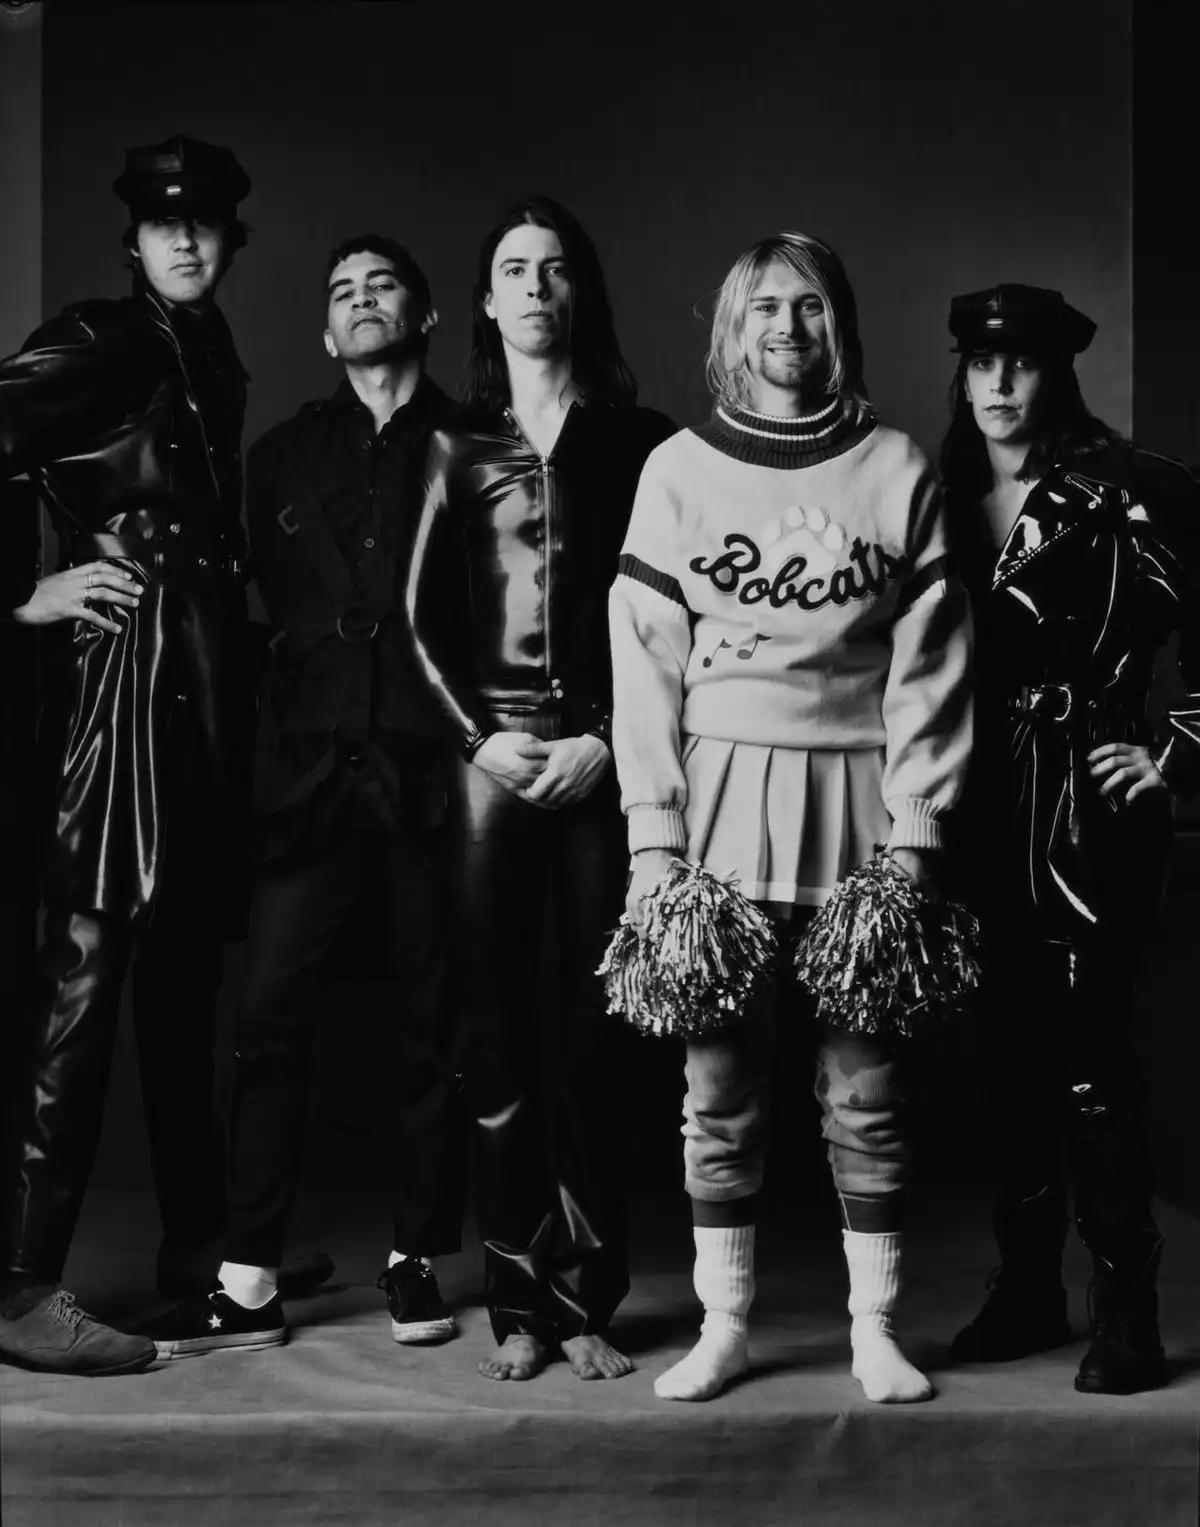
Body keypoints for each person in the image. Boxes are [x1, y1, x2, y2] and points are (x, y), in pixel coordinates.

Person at [609, 231, 973, 1404]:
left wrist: (915, 829)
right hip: (719, 805)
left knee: (866, 1089)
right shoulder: (678, 470)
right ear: (733, 328)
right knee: (719, 1089)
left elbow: (932, 663)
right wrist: (652, 838)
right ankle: (725, 1327)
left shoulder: (895, 467)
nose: (788, 327)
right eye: (766, 306)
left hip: (861, 803)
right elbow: (643, 667)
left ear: (840, 327)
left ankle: (875, 1329)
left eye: (811, 306)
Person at [0, 133, 329, 1377]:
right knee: (85, 972)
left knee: (187, 973)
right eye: (161, 224)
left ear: (231, 238)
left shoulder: (210, 347)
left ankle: (199, 1245)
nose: (185, 240)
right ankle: (22, 1286)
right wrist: (21, 598)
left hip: (205, 694)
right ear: (132, 240)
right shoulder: (96, 338)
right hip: (116, 691)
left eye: (203, 224)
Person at [146, 235, 465, 1359]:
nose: (362, 300)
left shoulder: (482, 446)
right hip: (304, 779)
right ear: (327, 335)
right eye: (343, 292)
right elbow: (238, 612)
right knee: (267, 1023)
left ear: (424, 313)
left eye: (383, 284)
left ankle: (417, 1256)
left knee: (435, 1026)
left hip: (434, 780)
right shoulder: (278, 456)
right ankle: (247, 1282)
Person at [405, 196, 674, 1383]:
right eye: (514, 268)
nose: (534, 285)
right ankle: (518, 1303)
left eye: (554, 268)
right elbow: (416, 622)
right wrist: (479, 740)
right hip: (492, 774)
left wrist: (608, 738)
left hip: (602, 769)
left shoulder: (642, 443)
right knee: (497, 1038)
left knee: (598, 1035)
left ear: (580, 293)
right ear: (485, 299)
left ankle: (588, 1301)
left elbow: (673, 615)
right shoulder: (451, 444)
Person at [938, 283, 1200, 1394]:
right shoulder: (940, 496)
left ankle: (1127, 1310)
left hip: (1087, 801)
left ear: (1059, 373)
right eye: (981, 362)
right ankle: (1029, 1287)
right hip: (973, 793)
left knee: (1092, 1055)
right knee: (1005, 1055)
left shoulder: (1134, 488)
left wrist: (1175, 753)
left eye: (1024, 362)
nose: (999, 383)